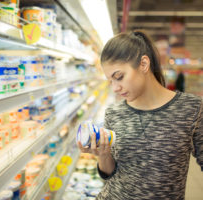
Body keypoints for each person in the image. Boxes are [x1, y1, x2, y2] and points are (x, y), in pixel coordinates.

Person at [77, 30, 203, 200]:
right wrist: (103, 154)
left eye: (119, 77)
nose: (115, 88)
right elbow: (109, 174)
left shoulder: (191, 108)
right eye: (110, 81)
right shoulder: (114, 113)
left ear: (144, 64)